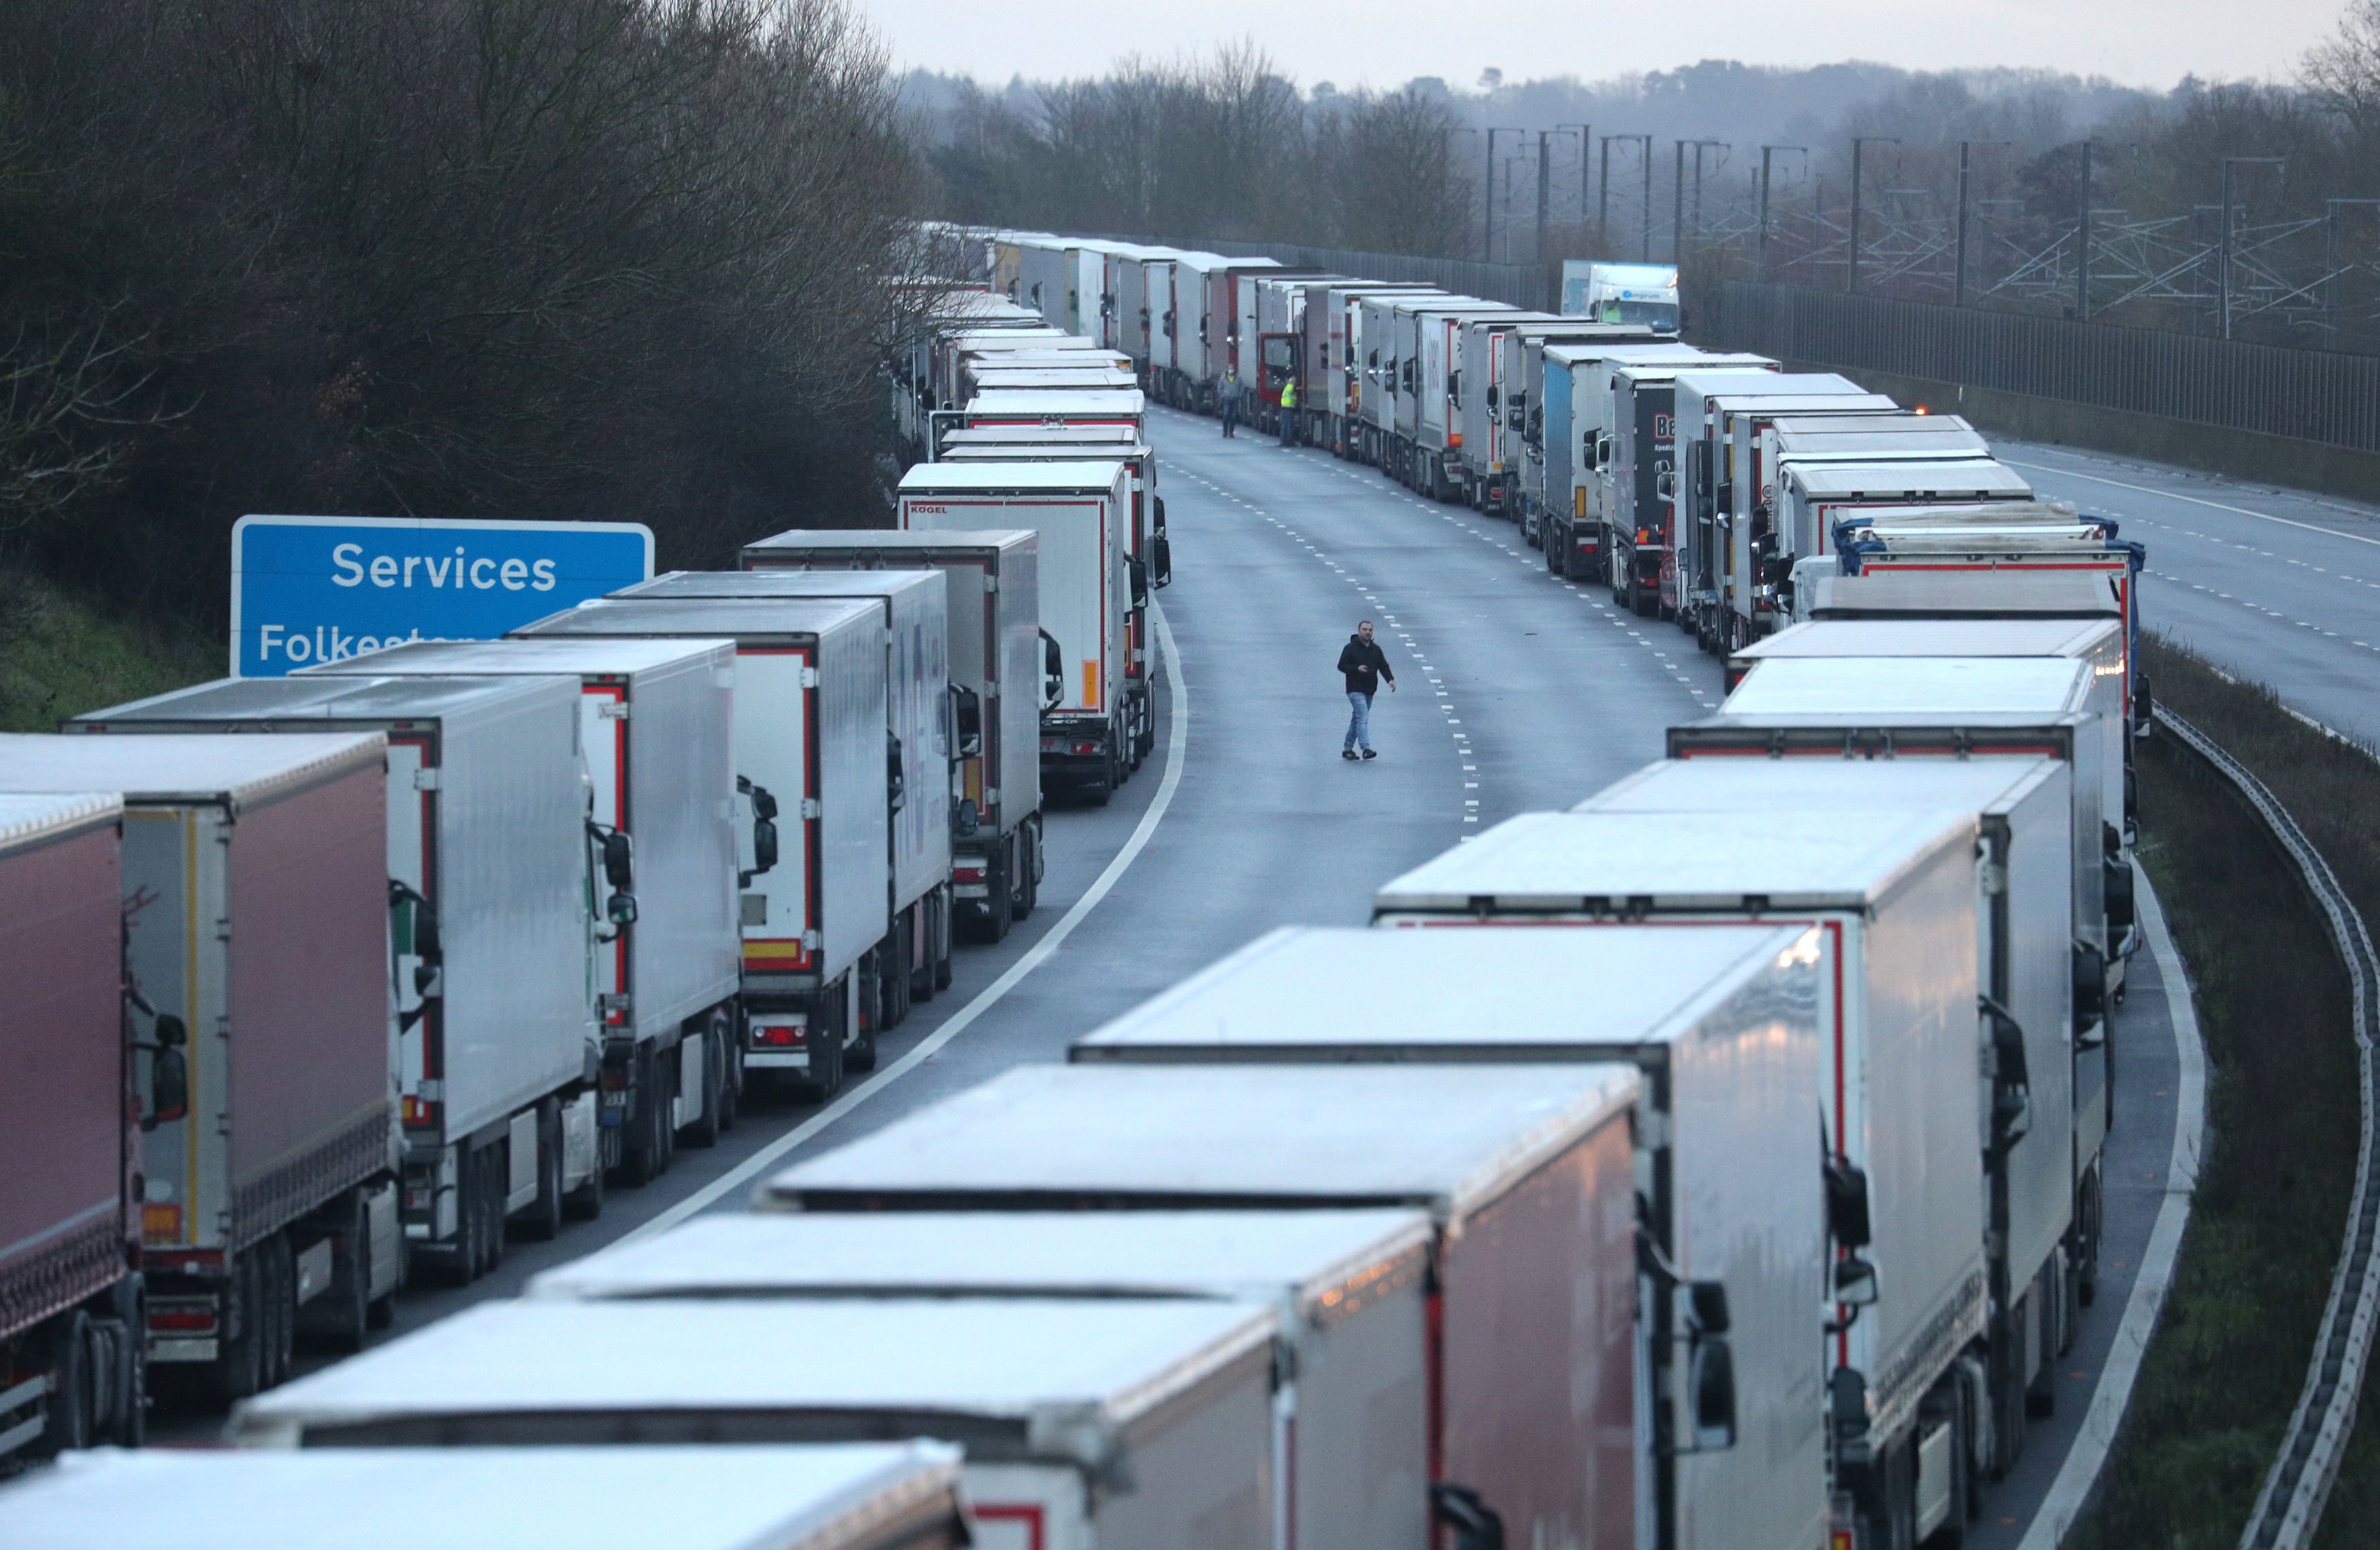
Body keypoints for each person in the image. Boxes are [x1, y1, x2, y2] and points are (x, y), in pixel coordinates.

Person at [1336, 619, 1395, 760]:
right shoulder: (1350, 648)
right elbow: (1341, 666)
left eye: (1370, 630)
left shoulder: (1376, 649)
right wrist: (1356, 669)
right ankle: (1365, 748)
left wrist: (1390, 680)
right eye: (1365, 630)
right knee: (1363, 717)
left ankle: (1347, 749)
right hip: (1355, 689)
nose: (1368, 632)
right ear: (1359, 631)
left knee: (1357, 719)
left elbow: (1383, 666)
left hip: (1369, 689)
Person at [1278, 376, 1299, 447]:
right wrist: (1298, 388)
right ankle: (1288, 441)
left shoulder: (1287, 387)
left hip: (1285, 409)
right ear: (1293, 382)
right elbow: (1291, 391)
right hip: (1288, 409)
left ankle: (1284, 441)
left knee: (1285, 425)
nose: (1296, 383)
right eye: (1295, 382)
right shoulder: (1290, 387)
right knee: (1288, 426)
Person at [1219, 370, 1241, 437]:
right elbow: (1220, 388)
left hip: (1235, 399)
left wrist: (1239, 395)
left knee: (1233, 416)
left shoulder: (1238, 379)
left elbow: (1242, 387)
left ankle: (1231, 432)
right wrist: (1223, 395)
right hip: (1226, 399)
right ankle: (1225, 432)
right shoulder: (1223, 378)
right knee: (1226, 414)